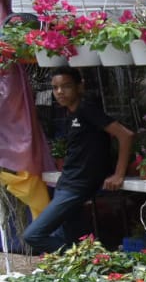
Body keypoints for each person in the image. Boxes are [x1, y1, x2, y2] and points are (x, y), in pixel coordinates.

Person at [22, 67, 134, 254]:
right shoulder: (71, 114)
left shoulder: (86, 109)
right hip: (67, 184)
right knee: (72, 239)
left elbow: (126, 135)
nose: (59, 92)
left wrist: (118, 174)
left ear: (79, 87)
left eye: (66, 86)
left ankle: (82, 262)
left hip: (76, 187)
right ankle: (84, 268)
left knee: (33, 235)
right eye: (55, 87)